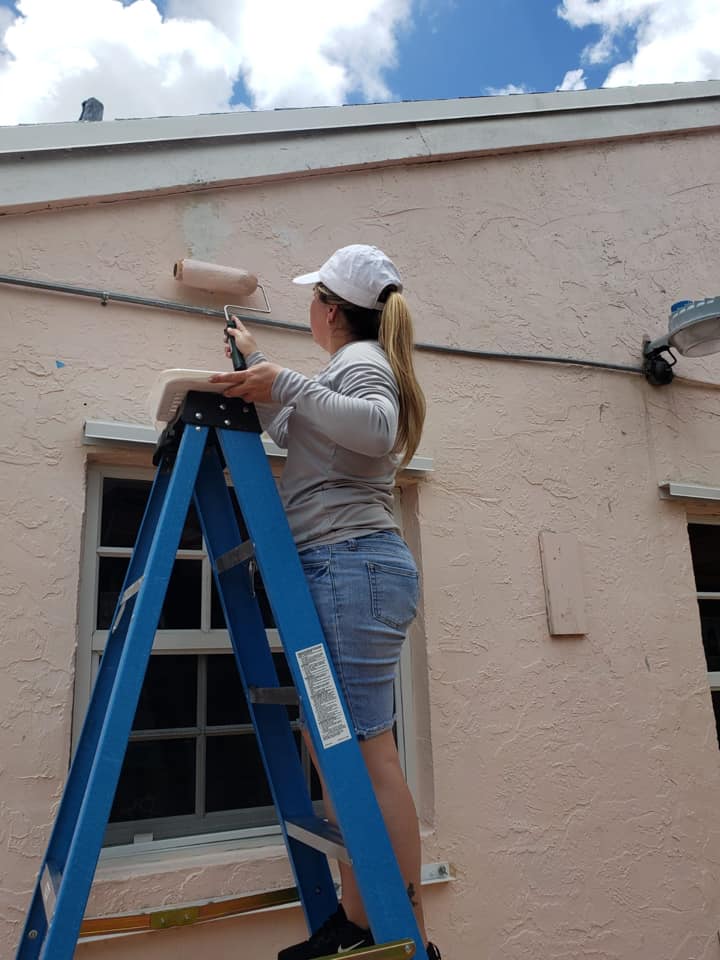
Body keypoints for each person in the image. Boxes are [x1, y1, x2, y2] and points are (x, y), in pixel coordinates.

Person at [209, 244, 440, 960]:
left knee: (368, 752)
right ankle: (360, 916)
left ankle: (405, 936)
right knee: (336, 744)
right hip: (346, 568)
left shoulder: (364, 363)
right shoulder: (343, 370)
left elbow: (375, 427)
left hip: (352, 567)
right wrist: (263, 371)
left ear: (332, 311)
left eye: (314, 297)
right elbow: (300, 431)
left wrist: (288, 382)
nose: (309, 306)